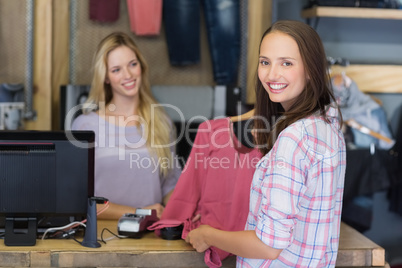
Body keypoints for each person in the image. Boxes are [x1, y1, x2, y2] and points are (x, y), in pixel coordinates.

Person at [185, 20, 346, 267]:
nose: (271, 74)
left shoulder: (294, 139)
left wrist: (207, 234)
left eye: (287, 63)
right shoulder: (328, 124)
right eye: (265, 62)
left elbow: (269, 246)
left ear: (311, 69)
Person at [71, 32, 181, 220]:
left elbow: (170, 186)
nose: (128, 75)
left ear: (141, 66)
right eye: (116, 70)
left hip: (150, 238)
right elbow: (76, 198)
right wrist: (139, 213)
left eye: (132, 64)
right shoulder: (85, 125)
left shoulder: (162, 122)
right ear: (105, 77)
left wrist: (184, 210)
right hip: (99, 239)